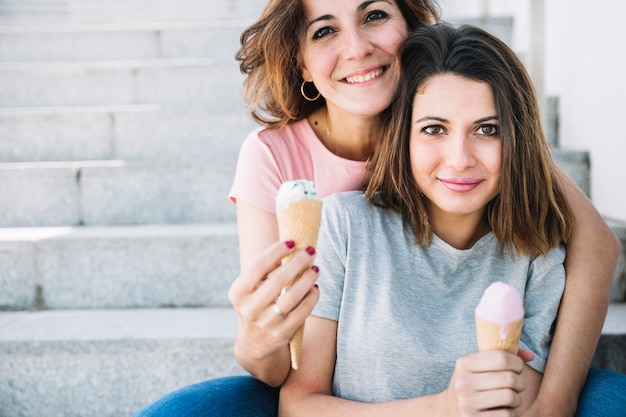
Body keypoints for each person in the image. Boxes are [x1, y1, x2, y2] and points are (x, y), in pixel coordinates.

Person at [132, 0, 623, 415]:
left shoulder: (457, 108)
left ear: (412, 30)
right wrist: (253, 340)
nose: (356, 48)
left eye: (374, 16)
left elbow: (591, 240)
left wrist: (552, 405)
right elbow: (288, 371)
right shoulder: (304, 184)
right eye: (324, 30)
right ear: (301, 62)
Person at [279, 22, 574, 415]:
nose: (459, 158)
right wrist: (444, 407)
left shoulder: (537, 254)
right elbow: (297, 404)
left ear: (517, 140)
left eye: (487, 130)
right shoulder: (343, 226)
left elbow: (526, 406)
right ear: (404, 137)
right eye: (434, 129)